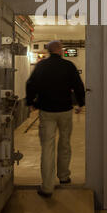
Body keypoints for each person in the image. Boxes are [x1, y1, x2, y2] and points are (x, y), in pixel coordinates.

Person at [25, 40, 85, 197]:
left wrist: (31, 102)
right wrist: (80, 103)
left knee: (47, 147)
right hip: (65, 111)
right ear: (61, 50)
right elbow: (78, 85)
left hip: (47, 111)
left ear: (48, 51)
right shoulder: (69, 66)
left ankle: (47, 187)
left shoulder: (41, 66)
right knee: (65, 143)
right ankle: (64, 176)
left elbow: (30, 84)